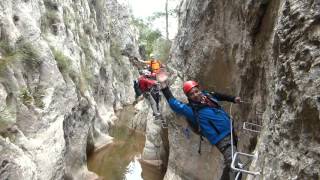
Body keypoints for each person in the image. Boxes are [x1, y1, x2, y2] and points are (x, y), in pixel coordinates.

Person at [157, 72, 242, 180]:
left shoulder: (207, 96)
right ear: (188, 97)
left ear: (199, 89)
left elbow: (220, 95)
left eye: (196, 91)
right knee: (236, 166)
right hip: (221, 139)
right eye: (191, 94)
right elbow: (173, 103)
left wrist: (233, 99)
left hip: (231, 132)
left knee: (229, 164)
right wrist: (164, 86)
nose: (195, 95)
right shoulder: (191, 110)